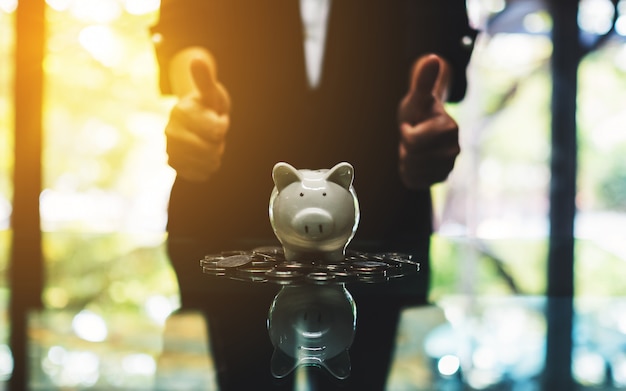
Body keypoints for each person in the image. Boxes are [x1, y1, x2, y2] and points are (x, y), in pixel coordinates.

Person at [151, 1, 477, 389]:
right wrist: (195, 102)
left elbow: (436, 29)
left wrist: (428, 107)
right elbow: (186, 27)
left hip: (383, 217)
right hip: (223, 210)